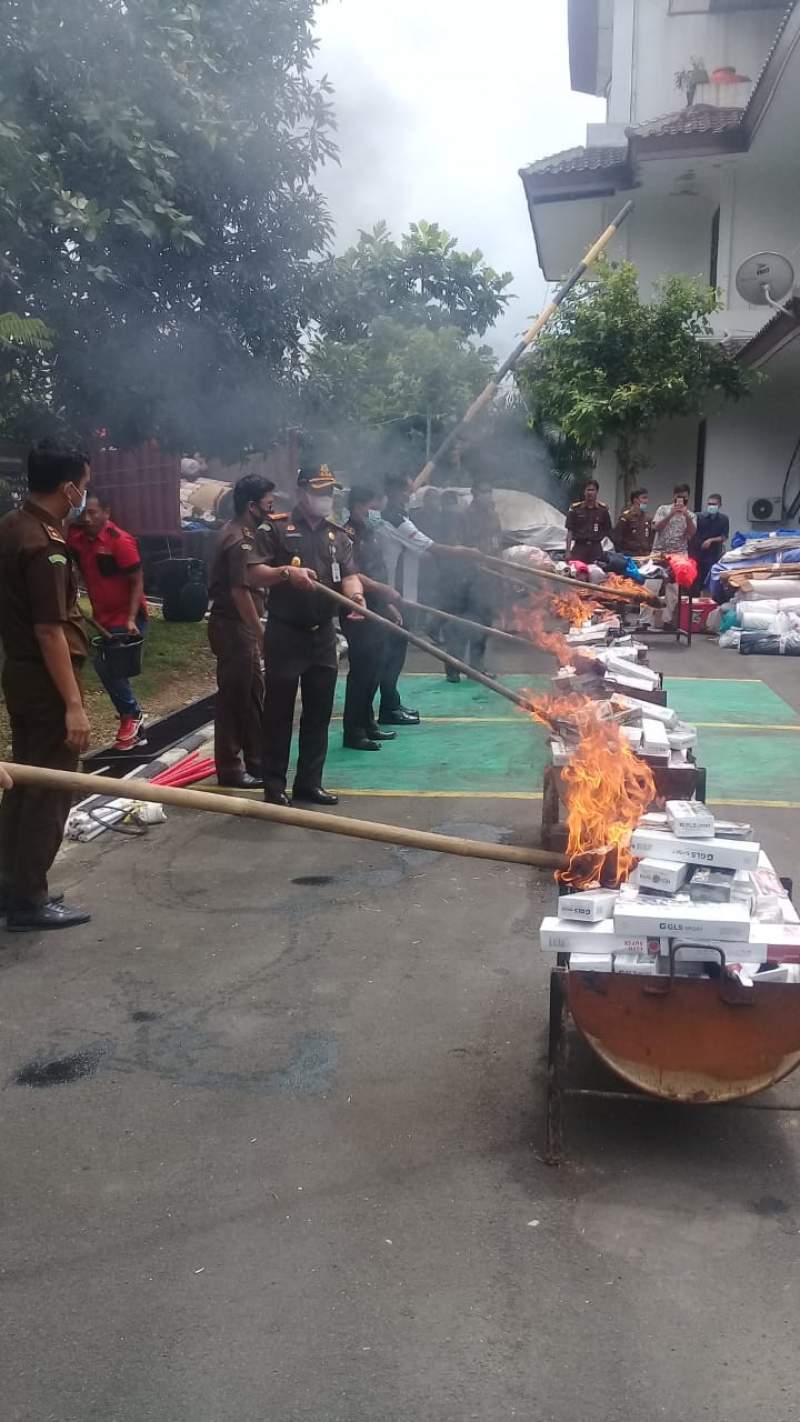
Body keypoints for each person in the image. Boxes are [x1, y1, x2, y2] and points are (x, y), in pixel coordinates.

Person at [0, 440, 92, 930]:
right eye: (85, 484)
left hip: (21, 673)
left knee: (22, 782)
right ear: (69, 487)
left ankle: (11, 884)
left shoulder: (13, 526)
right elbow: (48, 629)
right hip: (45, 679)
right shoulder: (45, 546)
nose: (85, 494)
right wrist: (73, 705)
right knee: (50, 789)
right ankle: (29, 901)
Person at [254, 465, 365, 806]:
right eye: (318, 491)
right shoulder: (274, 528)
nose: (325, 498)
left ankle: (309, 783)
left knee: (318, 712)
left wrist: (356, 596)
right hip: (286, 633)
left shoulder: (339, 534)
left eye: (329, 492)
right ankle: (274, 785)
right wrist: (287, 573)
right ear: (301, 492)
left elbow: (349, 575)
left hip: (322, 636)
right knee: (279, 713)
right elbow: (254, 572)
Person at [207, 473, 276, 788]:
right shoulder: (239, 539)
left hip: (239, 627)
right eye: (267, 504)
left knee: (251, 696)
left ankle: (256, 761)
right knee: (234, 698)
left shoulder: (243, 532)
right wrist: (259, 633)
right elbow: (240, 592)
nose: (271, 510)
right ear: (252, 506)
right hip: (234, 627)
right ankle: (231, 769)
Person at [67, 490, 148, 750]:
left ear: (107, 513)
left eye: (94, 512)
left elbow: (137, 581)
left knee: (107, 667)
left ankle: (131, 715)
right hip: (101, 616)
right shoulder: (78, 539)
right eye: (85, 513)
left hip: (126, 617)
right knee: (108, 668)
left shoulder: (120, 541)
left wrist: (131, 619)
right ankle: (134, 721)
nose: (88, 518)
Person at [341, 484, 403, 750]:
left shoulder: (370, 533)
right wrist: (382, 591)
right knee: (362, 673)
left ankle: (368, 724)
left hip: (375, 608)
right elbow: (355, 575)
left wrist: (387, 604)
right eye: (369, 506)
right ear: (356, 505)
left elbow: (377, 571)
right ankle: (353, 731)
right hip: (357, 610)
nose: (373, 511)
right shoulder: (347, 535)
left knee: (375, 670)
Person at [440, 476, 502, 682]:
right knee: (460, 624)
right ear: (474, 494)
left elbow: (496, 543)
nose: (487, 496)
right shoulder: (463, 516)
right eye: (483, 491)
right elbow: (454, 544)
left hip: (487, 578)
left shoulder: (493, 515)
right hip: (464, 578)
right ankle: (453, 668)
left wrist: (499, 572)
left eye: (489, 491)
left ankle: (477, 667)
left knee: (483, 624)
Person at [652, 483, 697, 629]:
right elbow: (656, 527)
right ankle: (644, 621)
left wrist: (685, 516)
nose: (681, 500)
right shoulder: (663, 509)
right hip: (659, 553)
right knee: (651, 585)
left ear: (688, 497)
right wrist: (671, 514)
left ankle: (667, 620)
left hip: (678, 556)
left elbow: (692, 533)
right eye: (678, 497)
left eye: (684, 497)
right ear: (674, 497)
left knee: (673, 589)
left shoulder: (691, 515)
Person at [565, 480, 613, 564]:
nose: (590, 493)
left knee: (598, 573)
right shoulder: (575, 509)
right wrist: (568, 551)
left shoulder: (603, 510)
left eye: (592, 490)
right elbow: (570, 531)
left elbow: (608, 529)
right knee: (577, 572)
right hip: (579, 548)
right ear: (584, 492)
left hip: (596, 549)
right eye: (588, 490)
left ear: (597, 492)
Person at [691, 492, 729, 590]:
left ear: (719, 505)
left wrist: (711, 540)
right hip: (697, 552)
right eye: (709, 504)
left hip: (712, 553)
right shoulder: (699, 517)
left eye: (714, 504)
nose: (711, 506)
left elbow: (724, 537)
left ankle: (706, 599)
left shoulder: (723, 519)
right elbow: (691, 531)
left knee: (708, 578)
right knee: (694, 578)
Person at [612, 488, 653, 557]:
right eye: (643, 498)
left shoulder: (647, 517)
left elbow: (650, 537)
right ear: (635, 500)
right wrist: (621, 554)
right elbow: (616, 537)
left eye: (646, 498)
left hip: (644, 555)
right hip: (630, 554)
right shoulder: (626, 517)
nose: (646, 501)